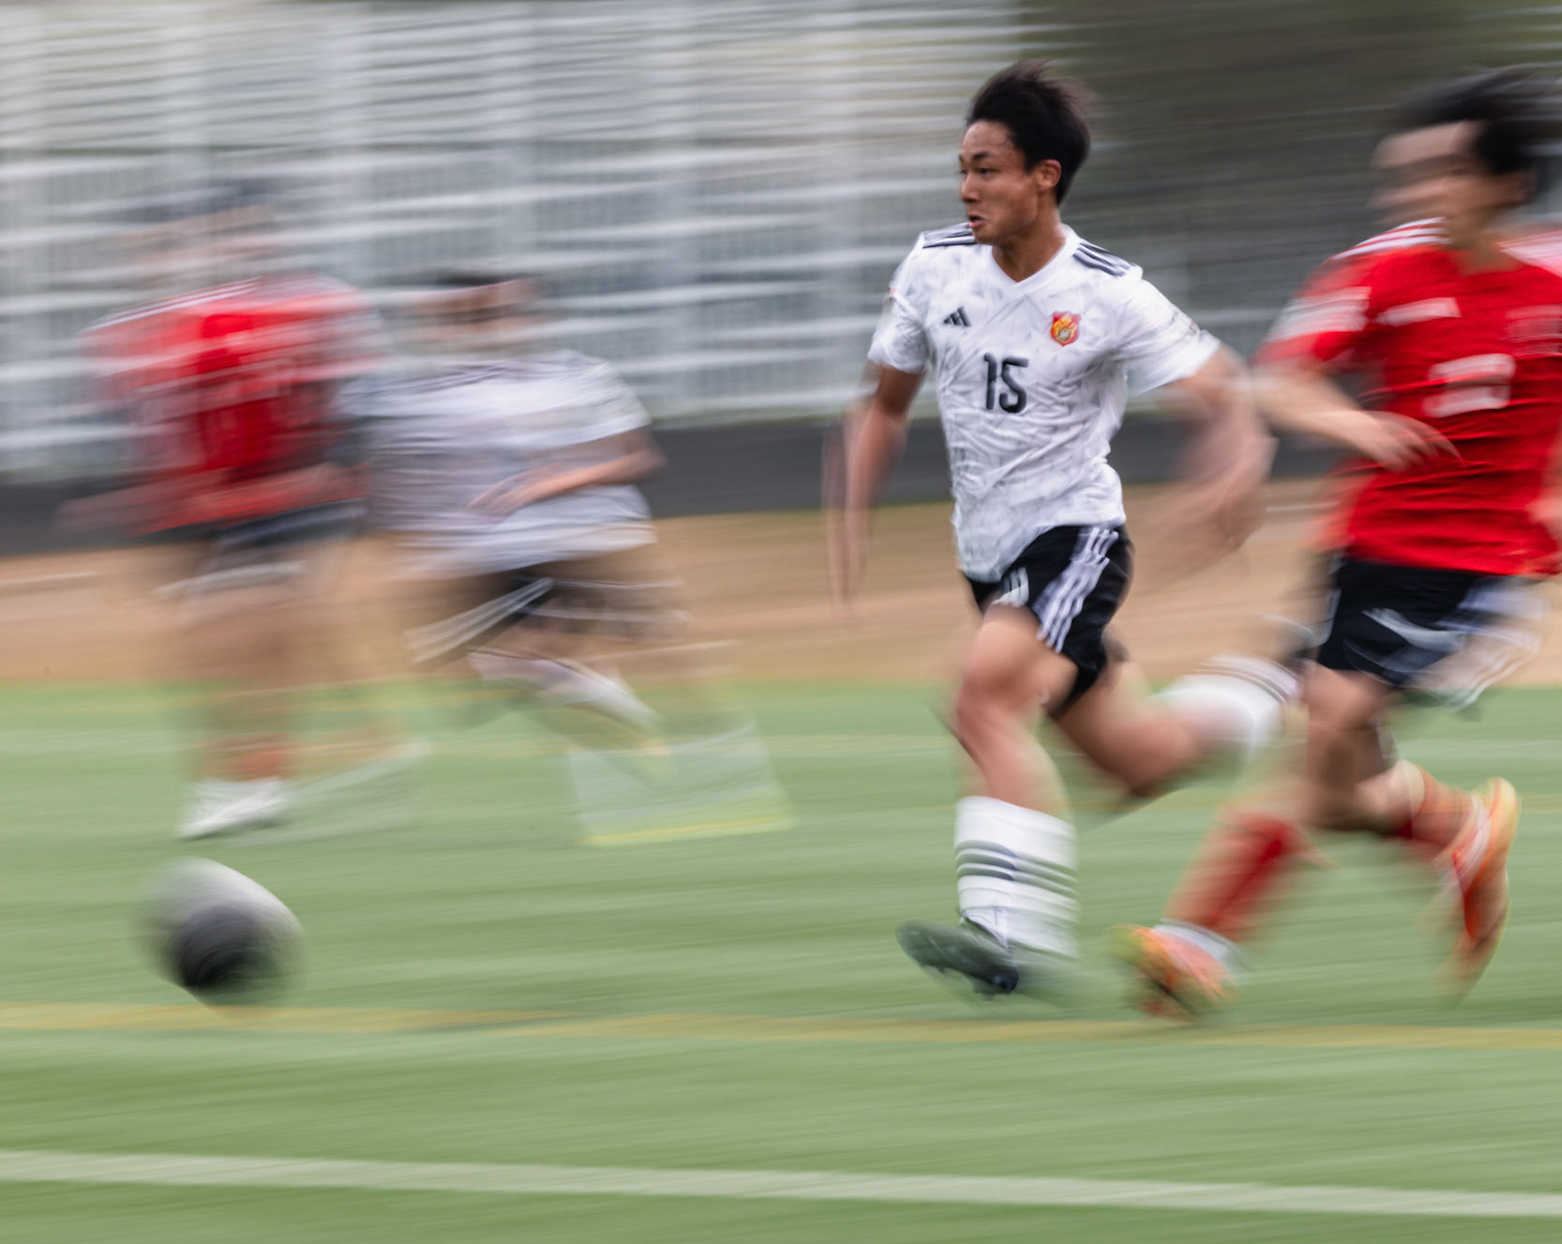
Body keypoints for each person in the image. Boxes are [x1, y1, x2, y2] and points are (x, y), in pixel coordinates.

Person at [1114, 67, 1562, 1015]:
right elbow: (1283, 381)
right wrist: (1354, 426)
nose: (1413, 196)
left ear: (1510, 183)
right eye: (1406, 177)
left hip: (1486, 566)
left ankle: (1199, 943)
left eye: (1440, 173)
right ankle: (1449, 830)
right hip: (1363, 553)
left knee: (1326, 723)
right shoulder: (1381, 269)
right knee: (1340, 772)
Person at [836, 61, 1293, 1000]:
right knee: (1138, 761)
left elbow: (1224, 391)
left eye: (989, 168)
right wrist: (852, 517)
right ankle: (1277, 682)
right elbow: (883, 405)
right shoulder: (931, 268)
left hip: (1075, 537)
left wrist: (1235, 467)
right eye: (962, 167)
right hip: (987, 558)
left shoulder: (1108, 291)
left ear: (1046, 175)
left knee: (978, 701)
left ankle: (1008, 933)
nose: (968, 187)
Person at [349, 269, 786, 844]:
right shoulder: (424, 397)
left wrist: (548, 484)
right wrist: (408, 544)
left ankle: (708, 772)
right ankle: (578, 684)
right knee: (465, 685)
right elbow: (399, 486)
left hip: (584, 538)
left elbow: (634, 457)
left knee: (663, 655)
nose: (480, 324)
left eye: (490, 311)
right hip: (494, 551)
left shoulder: (574, 377)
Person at [81, 177, 393, 839]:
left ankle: (248, 779)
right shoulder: (132, 332)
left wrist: (319, 473)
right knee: (213, 644)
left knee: (247, 633)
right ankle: (319, 754)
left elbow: (344, 403)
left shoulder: (311, 304)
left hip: (289, 495)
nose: (155, 260)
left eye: (248, 227)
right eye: (142, 250)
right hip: (196, 506)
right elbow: (150, 428)